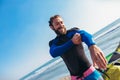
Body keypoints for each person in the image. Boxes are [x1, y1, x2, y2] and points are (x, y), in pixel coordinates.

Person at [48, 15, 107, 80]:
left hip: (91, 74)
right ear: (52, 27)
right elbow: (53, 52)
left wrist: (92, 46)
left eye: (61, 22)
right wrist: (72, 42)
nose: (61, 25)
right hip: (75, 78)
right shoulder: (54, 43)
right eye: (57, 24)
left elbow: (84, 34)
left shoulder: (72, 32)